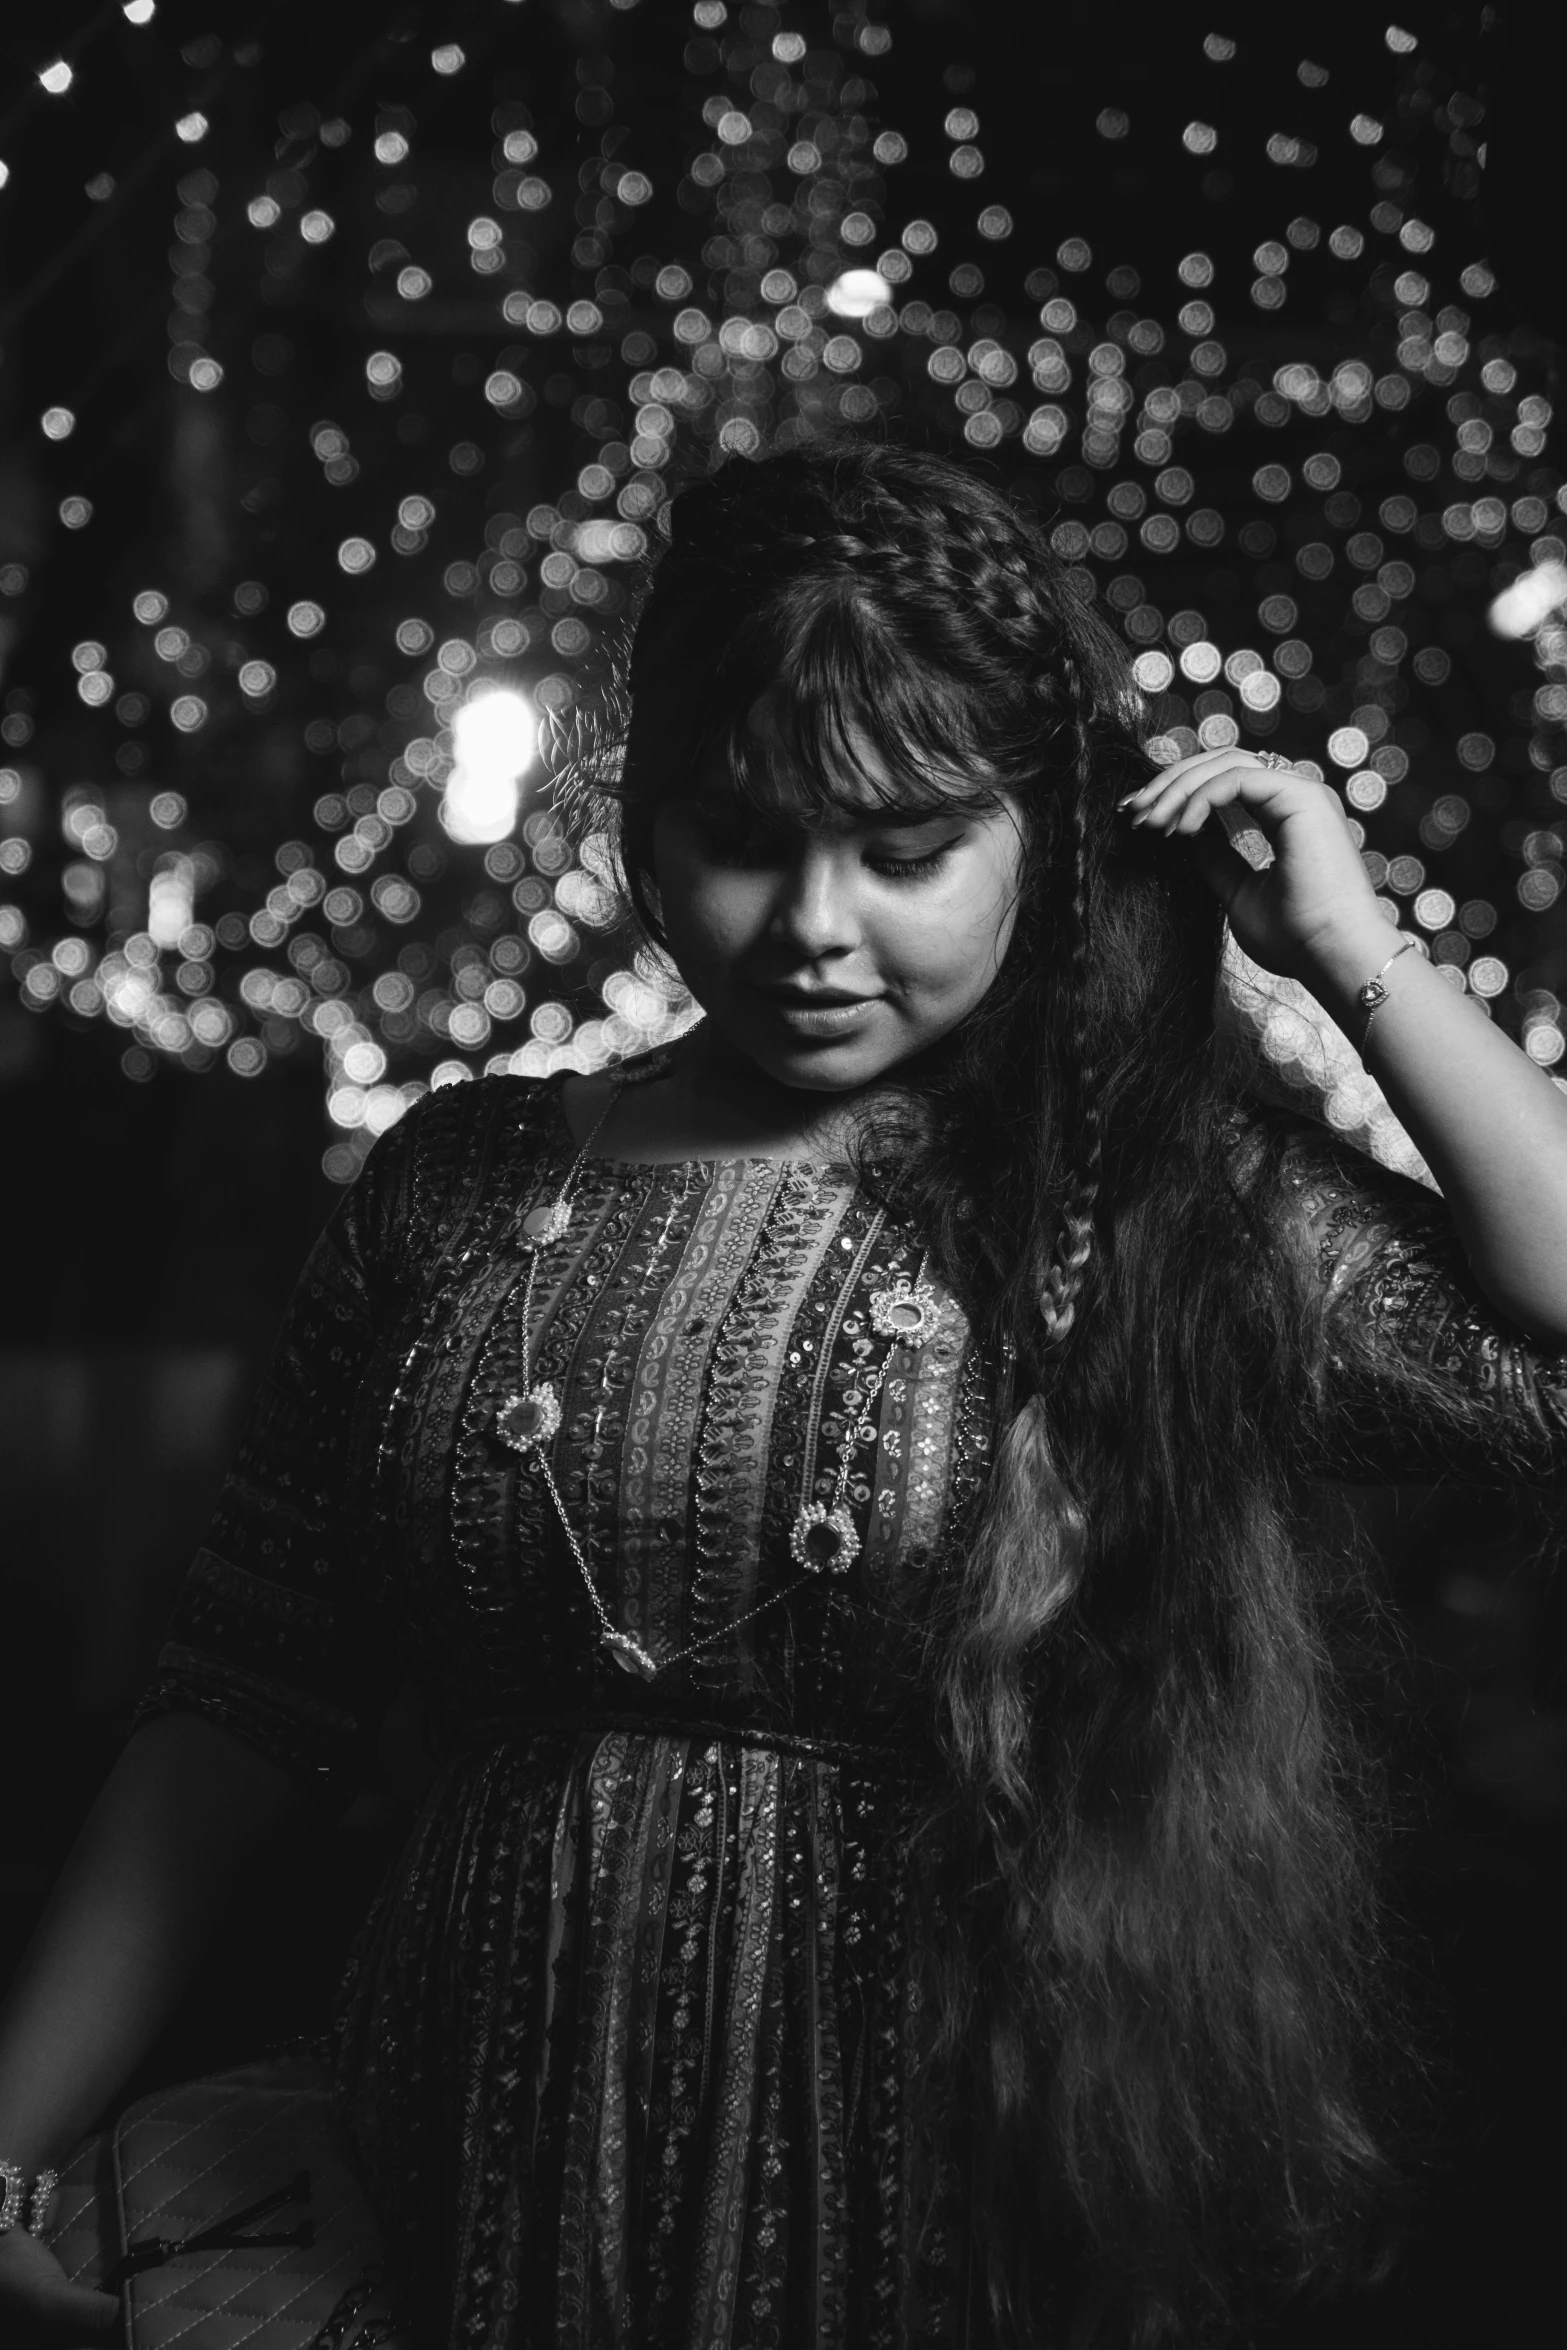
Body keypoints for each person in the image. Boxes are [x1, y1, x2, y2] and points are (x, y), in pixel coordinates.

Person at [3, 439, 1566, 2350]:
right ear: (645, 828)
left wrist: (1351, 953)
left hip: (943, 2199)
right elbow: (241, 1696)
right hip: (453, 2170)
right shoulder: (465, 1179)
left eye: (907, 851)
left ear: (1040, 842)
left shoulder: (1139, 1200)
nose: (815, 923)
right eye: (745, 835)